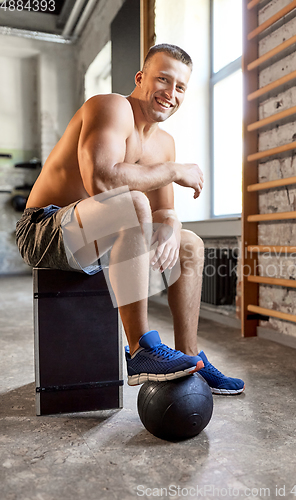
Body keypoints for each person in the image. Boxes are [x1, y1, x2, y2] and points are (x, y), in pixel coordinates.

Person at [16, 43, 245, 395]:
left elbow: (166, 213)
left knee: (190, 245)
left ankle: (191, 356)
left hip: (100, 232)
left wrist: (171, 230)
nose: (170, 93)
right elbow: (103, 181)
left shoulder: (164, 143)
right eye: (163, 80)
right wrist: (172, 170)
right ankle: (141, 350)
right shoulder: (110, 107)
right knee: (133, 203)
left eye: (180, 87)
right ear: (141, 78)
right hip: (44, 229)